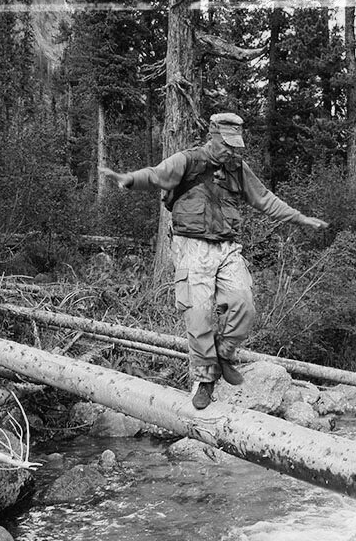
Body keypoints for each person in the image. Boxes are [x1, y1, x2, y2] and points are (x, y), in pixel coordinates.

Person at [100, 112, 328, 410]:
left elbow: (265, 199)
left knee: (244, 303)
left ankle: (225, 353)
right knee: (199, 316)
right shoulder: (187, 160)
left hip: (228, 247)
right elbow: (157, 175)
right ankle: (206, 379)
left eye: (236, 145)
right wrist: (129, 179)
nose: (231, 151)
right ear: (212, 134)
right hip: (191, 248)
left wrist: (300, 218)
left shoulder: (238, 169)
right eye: (227, 144)